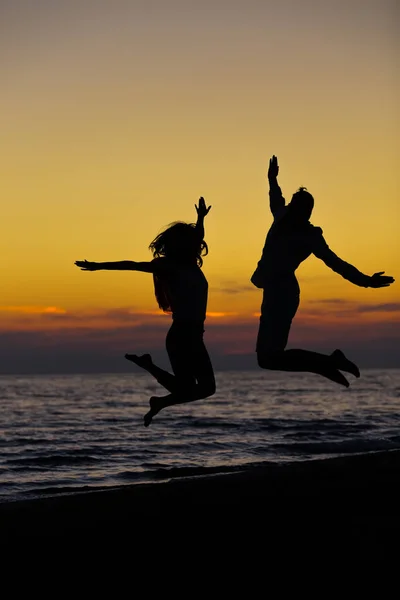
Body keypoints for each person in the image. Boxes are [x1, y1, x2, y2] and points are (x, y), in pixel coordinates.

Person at [251, 155, 395, 386]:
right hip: (274, 290)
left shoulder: (309, 235)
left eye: (300, 208)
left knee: (270, 356)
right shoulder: (282, 217)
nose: (294, 209)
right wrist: (271, 179)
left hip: (283, 292)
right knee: (266, 358)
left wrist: (366, 281)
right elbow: (275, 198)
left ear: (306, 211)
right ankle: (325, 364)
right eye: (294, 206)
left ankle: (328, 362)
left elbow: (336, 263)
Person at [75, 197, 216, 426]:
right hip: (181, 335)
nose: (196, 242)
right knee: (187, 387)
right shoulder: (166, 266)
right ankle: (149, 368)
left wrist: (200, 218)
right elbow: (132, 265)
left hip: (194, 334)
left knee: (207, 388)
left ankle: (158, 401)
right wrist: (99, 265)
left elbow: (198, 236)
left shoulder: (190, 263)